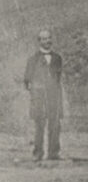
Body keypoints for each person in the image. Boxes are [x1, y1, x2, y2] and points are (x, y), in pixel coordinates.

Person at [24, 30, 63, 161]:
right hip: (39, 97)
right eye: (44, 39)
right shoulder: (33, 59)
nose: (47, 41)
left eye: (49, 38)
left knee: (55, 124)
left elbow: (58, 78)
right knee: (39, 124)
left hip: (54, 96)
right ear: (39, 41)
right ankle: (38, 153)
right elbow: (27, 80)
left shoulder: (57, 58)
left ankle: (53, 153)